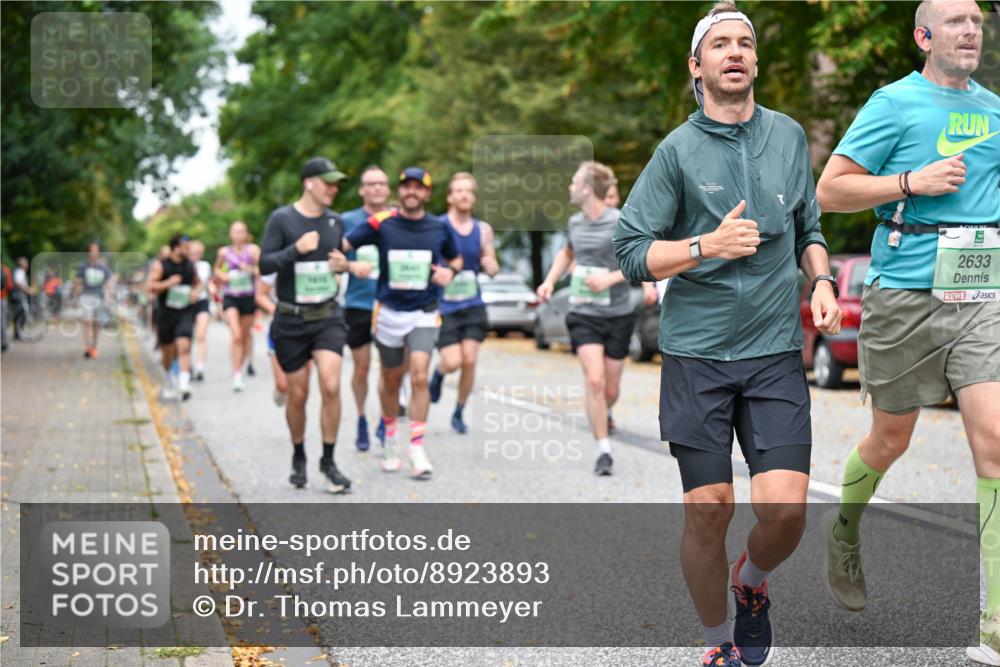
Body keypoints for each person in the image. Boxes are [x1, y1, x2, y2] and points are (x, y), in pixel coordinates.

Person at [613, 3, 841, 665]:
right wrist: (703, 245)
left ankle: (751, 582)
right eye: (720, 44)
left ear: (755, 62)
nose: (735, 52)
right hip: (697, 356)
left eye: (745, 43)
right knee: (708, 510)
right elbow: (630, 250)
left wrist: (822, 280)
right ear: (697, 65)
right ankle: (719, 644)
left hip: (772, 354)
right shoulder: (676, 152)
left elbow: (808, 228)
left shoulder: (790, 137)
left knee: (786, 514)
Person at [813, 1, 1000, 662]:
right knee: (892, 437)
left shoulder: (997, 110)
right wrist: (907, 182)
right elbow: (829, 192)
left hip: (981, 293)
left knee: (995, 437)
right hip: (903, 294)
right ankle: (844, 526)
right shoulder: (893, 103)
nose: (971, 30)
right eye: (955, 20)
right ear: (924, 35)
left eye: (978, 19)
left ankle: (994, 622)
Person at [343, 167, 462, 479]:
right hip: (389, 313)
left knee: (420, 376)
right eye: (406, 187)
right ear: (400, 192)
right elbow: (344, 243)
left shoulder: (438, 227)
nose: (412, 192)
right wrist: (348, 263)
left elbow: (456, 259)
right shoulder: (382, 224)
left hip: (424, 311)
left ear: (426, 193)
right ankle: (391, 437)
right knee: (391, 378)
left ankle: (417, 448)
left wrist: (449, 273)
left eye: (418, 188)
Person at [537, 161, 655, 477]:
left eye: (574, 181)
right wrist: (550, 281)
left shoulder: (619, 221)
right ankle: (603, 449)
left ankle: (604, 409)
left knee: (610, 389)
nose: (570, 186)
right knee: (595, 380)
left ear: (588, 188)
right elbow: (567, 253)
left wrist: (615, 280)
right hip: (583, 312)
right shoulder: (575, 223)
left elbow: (638, 257)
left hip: (617, 313)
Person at [259, 157, 352, 493]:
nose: (334, 188)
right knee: (298, 394)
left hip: (327, 316)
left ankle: (328, 460)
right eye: (328, 182)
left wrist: (344, 265)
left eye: (335, 182)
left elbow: (339, 262)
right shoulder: (282, 219)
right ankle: (299, 452)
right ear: (309, 183)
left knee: (331, 385)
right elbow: (265, 263)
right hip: (291, 319)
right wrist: (295, 250)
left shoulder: (335, 221)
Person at [428, 172, 500, 433]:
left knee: (470, 361)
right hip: (445, 306)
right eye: (458, 190)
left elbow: (490, 264)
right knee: (452, 361)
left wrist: (492, 267)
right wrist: (437, 275)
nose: (464, 195)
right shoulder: (437, 226)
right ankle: (438, 374)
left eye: (469, 191)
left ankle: (458, 411)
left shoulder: (483, 230)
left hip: (472, 304)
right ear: (450, 196)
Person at [340, 165, 392, 450]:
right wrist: (350, 265)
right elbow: (333, 256)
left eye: (381, 184)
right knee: (361, 368)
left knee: (389, 369)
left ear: (387, 189)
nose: (375, 189)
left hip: (390, 304)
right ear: (362, 190)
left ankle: (386, 419)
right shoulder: (348, 220)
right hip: (358, 303)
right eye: (369, 184)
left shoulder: (397, 219)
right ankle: (361, 418)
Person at [147, 234, 201, 401]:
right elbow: (150, 286)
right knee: (168, 352)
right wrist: (167, 283)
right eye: (186, 247)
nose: (189, 250)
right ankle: (170, 381)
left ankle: (184, 385)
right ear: (176, 248)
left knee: (184, 345)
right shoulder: (161, 265)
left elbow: (198, 282)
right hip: (166, 313)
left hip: (185, 311)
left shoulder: (190, 265)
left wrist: (195, 292)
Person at [215, 221, 261, 392]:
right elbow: (217, 270)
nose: (239, 234)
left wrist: (249, 269)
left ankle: (242, 366)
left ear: (246, 233)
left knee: (244, 335)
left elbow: (263, 268)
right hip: (231, 297)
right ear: (230, 234)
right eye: (235, 231)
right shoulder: (224, 252)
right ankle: (236, 374)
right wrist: (224, 277)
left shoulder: (253, 250)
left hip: (248, 297)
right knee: (235, 335)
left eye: (242, 231)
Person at [73, 242, 113, 358]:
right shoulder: (83, 266)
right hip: (86, 296)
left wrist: (109, 298)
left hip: (99, 297)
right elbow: (77, 281)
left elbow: (108, 283)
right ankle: (88, 346)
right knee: (87, 322)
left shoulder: (103, 267)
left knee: (96, 323)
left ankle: (94, 346)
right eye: (91, 250)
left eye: (96, 250)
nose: (93, 252)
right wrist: (75, 298)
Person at [188, 240, 214, 381]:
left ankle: (200, 367)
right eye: (192, 253)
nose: (195, 256)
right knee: (187, 337)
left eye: (198, 253)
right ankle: (188, 365)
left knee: (201, 335)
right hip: (187, 303)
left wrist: (212, 290)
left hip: (202, 302)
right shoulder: (184, 266)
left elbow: (208, 282)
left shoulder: (205, 266)